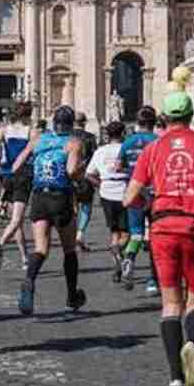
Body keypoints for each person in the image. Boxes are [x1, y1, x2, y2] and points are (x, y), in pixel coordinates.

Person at [123, 80, 194, 386]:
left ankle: (175, 380)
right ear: (190, 113)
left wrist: (149, 205)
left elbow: (129, 197)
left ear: (165, 116)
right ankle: (192, 344)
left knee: (170, 304)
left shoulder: (153, 149)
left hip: (164, 228)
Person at [10, 105, 88, 315]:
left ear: (54, 122)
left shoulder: (39, 140)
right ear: (71, 124)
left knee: (40, 249)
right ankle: (72, 296)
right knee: (69, 249)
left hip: (39, 197)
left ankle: (29, 280)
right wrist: (83, 168)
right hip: (60, 196)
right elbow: (71, 171)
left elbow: (16, 166)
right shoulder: (74, 142)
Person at [117, 105, 160, 292]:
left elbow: (118, 166)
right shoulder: (158, 141)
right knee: (156, 237)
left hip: (133, 192)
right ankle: (153, 280)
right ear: (154, 122)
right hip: (154, 193)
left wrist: (132, 172)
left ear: (138, 122)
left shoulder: (128, 142)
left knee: (135, 233)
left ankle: (129, 258)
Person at [0, 102, 34, 270]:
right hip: (23, 175)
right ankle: (0, 244)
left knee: (17, 222)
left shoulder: (4, 129)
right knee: (17, 219)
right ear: (27, 116)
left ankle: (24, 258)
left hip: (7, 175)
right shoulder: (30, 131)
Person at [85, 121, 130, 283]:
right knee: (126, 234)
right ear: (123, 133)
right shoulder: (126, 149)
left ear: (107, 135)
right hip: (124, 192)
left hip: (106, 193)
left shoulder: (100, 151)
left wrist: (101, 184)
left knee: (114, 232)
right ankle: (118, 250)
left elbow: (89, 174)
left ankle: (117, 268)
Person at [71, 112, 98, 252]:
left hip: (70, 176)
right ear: (85, 122)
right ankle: (80, 234)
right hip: (86, 176)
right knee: (86, 206)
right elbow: (94, 158)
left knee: (73, 207)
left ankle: (72, 235)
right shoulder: (91, 138)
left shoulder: (68, 137)